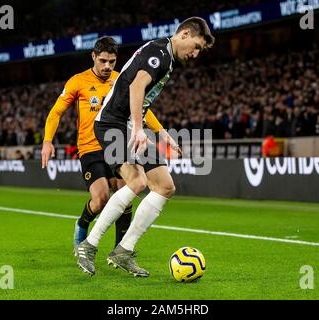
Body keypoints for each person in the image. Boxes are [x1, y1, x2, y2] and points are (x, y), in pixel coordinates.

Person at [76, 17, 215, 277]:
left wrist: (160, 133)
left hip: (129, 125)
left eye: (200, 51)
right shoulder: (160, 54)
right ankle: (89, 245)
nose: (195, 54)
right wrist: (139, 129)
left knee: (165, 186)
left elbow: (144, 98)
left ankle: (123, 250)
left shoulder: (167, 56)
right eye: (196, 46)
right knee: (138, 182)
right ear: (184, 34)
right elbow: (137, 86)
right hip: (112, 123)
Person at [41, 36, 165, 253]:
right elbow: (56, 112)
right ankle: (82, 224)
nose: (108, 66)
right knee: (100, 199)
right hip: (90, 148)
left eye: (112, 61)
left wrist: (160, 131)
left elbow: (143, 108)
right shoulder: (77, 81)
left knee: (126, 191)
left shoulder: (121, 80)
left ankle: (120, 250)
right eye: (103, 61)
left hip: (115, 143)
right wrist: (47, 141)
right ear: (94, 57)